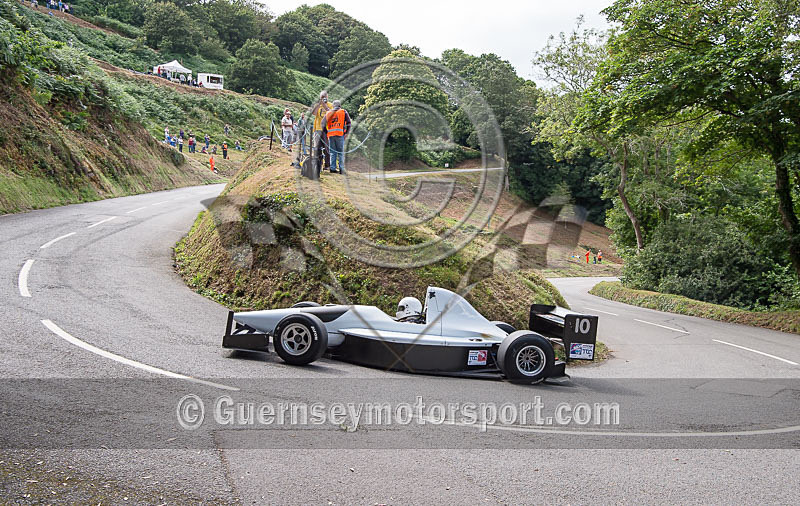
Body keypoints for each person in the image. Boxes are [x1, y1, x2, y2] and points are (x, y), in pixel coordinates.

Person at [323, 100, 351, 174]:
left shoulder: (328, 113)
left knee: (332, 152)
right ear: (340, 106)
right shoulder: (343, 112)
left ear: (333, 106)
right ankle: (341, 169)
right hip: (340, 134)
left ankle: (332, 168)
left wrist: (326, 132)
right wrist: (347, 133)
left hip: (331, 135)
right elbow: (349, 123)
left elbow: (322, 123)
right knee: (340, 153)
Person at [311, 90, 331, 173]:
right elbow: (314, 113)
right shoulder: (317, 105)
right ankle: (318, 164)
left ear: (327, 97)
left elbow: (330, 114)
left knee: (327, 148)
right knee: (317, 147)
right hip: (317, 128)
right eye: (322, 98)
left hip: (327, 129)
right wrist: (319, 104)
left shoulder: (330, 105)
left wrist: (325, 105)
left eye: (324, 97)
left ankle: (327, 165)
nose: (323, 99)